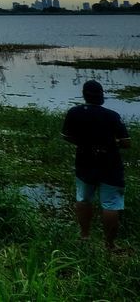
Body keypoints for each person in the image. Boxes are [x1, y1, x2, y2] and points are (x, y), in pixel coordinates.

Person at [62, 79, 130, 250]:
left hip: (84, 162)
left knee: (84, 200)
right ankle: (109, 245)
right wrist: (114, 143)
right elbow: (126, 142)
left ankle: (84, 236)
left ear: (84, 95)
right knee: (111, 204)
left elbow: (66, 136)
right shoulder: (112, 115)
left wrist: (82, 143)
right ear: (101, 96)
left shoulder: (74, 112)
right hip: (110, 165)